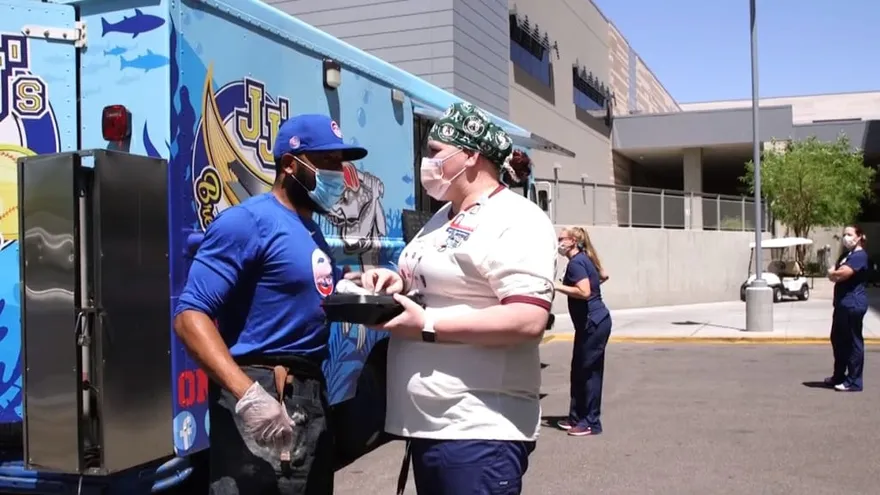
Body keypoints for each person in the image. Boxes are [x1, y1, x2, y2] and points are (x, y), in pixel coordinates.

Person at [359, 102, 556, 495]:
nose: (426, 161)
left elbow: (527, 318)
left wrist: (428, 325)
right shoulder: (445, 215)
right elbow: (440, 280)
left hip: (478, 429)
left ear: (470, 156)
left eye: (435, 151)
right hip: (433, 426)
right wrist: (397, 281)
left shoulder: (517, 219)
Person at [173, 114, 368, 494]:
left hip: (308, 393)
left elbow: (307, 287)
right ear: (290, 165)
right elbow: (189, 316)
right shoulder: (248, 222)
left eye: (340, 164)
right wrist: (248, 395)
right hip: (265, 387)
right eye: (327, 163)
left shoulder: (309, 228)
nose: (338, 175)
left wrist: (358, 284)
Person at [554, 227, 611, 436]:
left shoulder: (577, 263)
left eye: (561, 239)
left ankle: (590, 422)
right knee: (578, 371)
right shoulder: (584, 260)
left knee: (588, 373)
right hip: (591, 323)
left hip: (593, 323)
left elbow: (585, 292)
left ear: (572, 241)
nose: (558, 242)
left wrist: (557, 286)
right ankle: (576, 417)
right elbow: (603, 276)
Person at [825, 225, 869, 392]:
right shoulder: (846, 255)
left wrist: (833, 273)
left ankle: (854, 381)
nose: (846, 237)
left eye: (850, 234)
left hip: (853, 303)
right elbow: (836, 274)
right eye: (844, 234)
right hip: (842, 304)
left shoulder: (859, 256)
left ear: (859, 237)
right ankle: (839, 375)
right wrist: (833, 274)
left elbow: (842, 273)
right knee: (837, 339)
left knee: (852, 342)